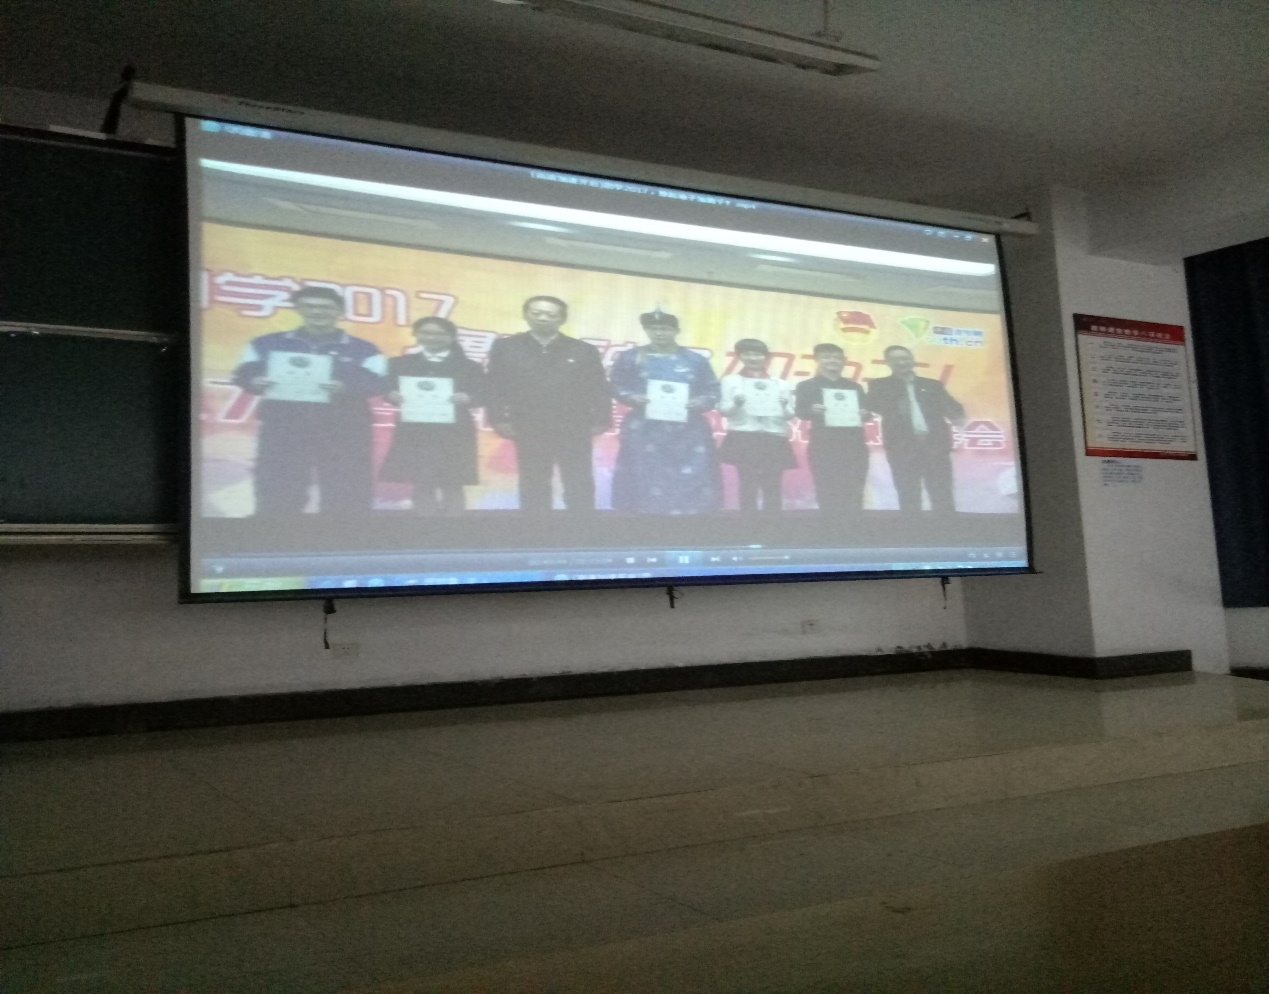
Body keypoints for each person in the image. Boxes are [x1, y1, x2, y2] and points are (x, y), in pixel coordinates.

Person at [232, 286, 386, 516]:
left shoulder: (365, 349)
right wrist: (256, 381)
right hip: (285, 426)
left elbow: (378, 383)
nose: (317, 311)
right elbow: (243, 374)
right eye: (309, 306)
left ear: (340, 312)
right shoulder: (266, 343)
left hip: (344, 428)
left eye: (325, 307)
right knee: (279, 484)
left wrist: (345, 386)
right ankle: (275, 533)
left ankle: (346, 534)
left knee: (347, 486)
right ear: (298, 309)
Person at [485, 296, 611, 511]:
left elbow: (598, 386)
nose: (543, 318)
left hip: (573, 425)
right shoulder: (506, 347)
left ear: (562, 319)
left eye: (551, 315)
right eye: (536, 313)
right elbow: (494, 385)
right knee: (533, 479)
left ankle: (582, 525)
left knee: (578, 479)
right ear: (526, 315)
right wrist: (498, 418)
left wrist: (601, 418)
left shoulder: (582, 350)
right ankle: (536, 526)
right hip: (527, 424)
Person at [609, 310, 721, 514]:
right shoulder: (630, 357)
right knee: (642, 474)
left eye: (665, 329)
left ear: (676, 331)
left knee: (691, 477)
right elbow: (615, 385)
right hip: (644, 428)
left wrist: (700, 402)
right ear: (646, 330)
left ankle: (689, 521)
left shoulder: (695, 360)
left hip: (688, 431)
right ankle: (641, 520)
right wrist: (631, 397)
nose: (659, 333)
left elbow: (712, 390)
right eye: (653, 329)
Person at [379, 316, 486, 513]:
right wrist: (391, 395)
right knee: (421, 481)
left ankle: (455, 527)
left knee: (453, 483)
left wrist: (469, 398)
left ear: (452, 337)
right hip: (415, 430)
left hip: (454, 432)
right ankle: (424, 527)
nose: (432, 338)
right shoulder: (400, 363)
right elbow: (386, 390)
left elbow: (484, 394)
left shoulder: (469, 366)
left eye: (439, 334)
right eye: (426, 333)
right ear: (416, 335)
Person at [867, 344, 966, 513]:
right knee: (908, 495)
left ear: (912, 360)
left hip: (935, 447)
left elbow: (953, 407)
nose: (901, 363)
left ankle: (947, 528)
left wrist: (957, 416)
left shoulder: (932, 385)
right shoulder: (880, 386)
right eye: (895, 360)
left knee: (942, 494)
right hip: (902, 449)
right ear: (887, 363)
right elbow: (872, 407)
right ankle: (913, 528)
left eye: (905, 358)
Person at [718, 338, 796, 512]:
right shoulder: (730, 381)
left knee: (773, 485)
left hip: (773, 437)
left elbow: (790, 415)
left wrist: (783, 406)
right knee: (747, 483)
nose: (753, 358)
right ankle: (748, 524)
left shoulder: (781, 384)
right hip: (744, 436)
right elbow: (724, 411)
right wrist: (736, 404)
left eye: (757, 354)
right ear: (739, 357)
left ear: (766, 357)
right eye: (747, 354)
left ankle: (773, 524)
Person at [794, 343, 871, 513]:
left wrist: (865, 413)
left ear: (844, 361)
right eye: (827, 357)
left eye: (837, 358)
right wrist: (812, 410)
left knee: (855, 489)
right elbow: (800, 412)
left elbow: (867, 414)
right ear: (817, 360)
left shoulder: (854, 386)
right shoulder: (806, 386)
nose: (832, 361)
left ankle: (853, 527)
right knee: (826, 488)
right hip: (823, 444)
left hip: (854, 445)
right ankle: (830, 527)